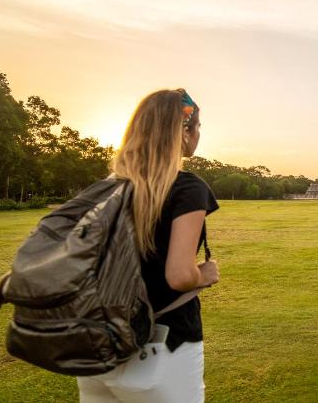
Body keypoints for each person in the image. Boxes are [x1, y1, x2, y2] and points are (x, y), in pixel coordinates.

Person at [76, 89, 220, 402]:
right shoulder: (187, 188)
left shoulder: (105, 190)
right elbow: (180, 276)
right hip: (163, 345)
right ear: (182, 132)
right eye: (196, 126)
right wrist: (204, 275)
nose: (199, 133)